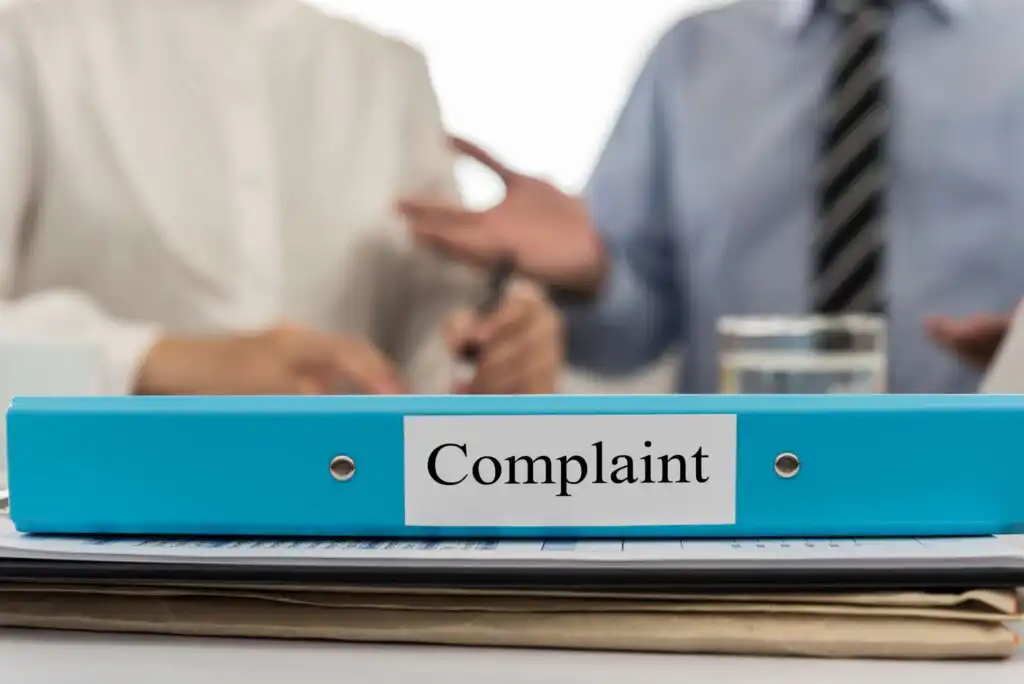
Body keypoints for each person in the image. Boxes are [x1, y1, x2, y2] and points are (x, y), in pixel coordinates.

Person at [401, 0, 1024, 394]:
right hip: (737, 506)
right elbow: (628, 342)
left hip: (987, 494)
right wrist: (593, 277)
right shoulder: (694, 56)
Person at [0, 0, 563, 396]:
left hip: (348, 524)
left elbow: (435, 338)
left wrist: (498, 355)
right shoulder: (26, 45)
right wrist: (161, 360)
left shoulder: (390, 75)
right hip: (85, 524)